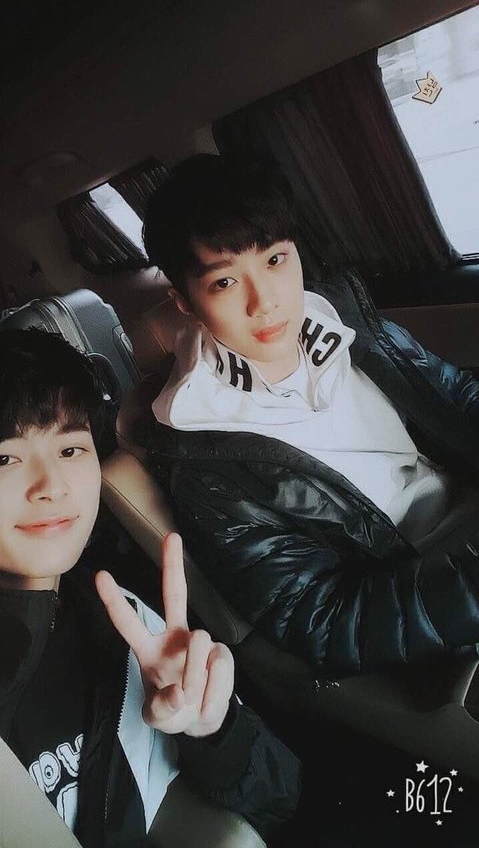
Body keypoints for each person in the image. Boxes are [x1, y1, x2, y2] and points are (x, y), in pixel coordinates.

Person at [140, 152, 479, 679]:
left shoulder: (351, 328)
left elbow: (458, 398)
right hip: (427, 593)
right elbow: (323, 618)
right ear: (184, 301)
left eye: (275, 260)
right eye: (225, 282)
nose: (265, 302)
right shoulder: (208, 461)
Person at [0, 328, 301, 848]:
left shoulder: (123, 621)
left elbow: (279, 800)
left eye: (71, 448)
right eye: (4, 458)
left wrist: (214, 729)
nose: (52, 485)